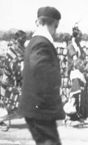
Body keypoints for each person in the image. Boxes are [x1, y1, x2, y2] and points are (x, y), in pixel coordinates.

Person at [18, 6, 65, 145]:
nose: (55, 31)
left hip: (37, 109)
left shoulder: (34, 42)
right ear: (53, 24)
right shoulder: (41, 43)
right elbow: (41, 73)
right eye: (56, 27)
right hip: (41, 110)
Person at [0, 30, 26, 131]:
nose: (22, 41)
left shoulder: (23, 49)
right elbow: (10, 63)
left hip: (20, 78)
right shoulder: (11, 50)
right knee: (6, 99)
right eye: (21, 40)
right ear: (16, 40)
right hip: (9, 78)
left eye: (24, 39)